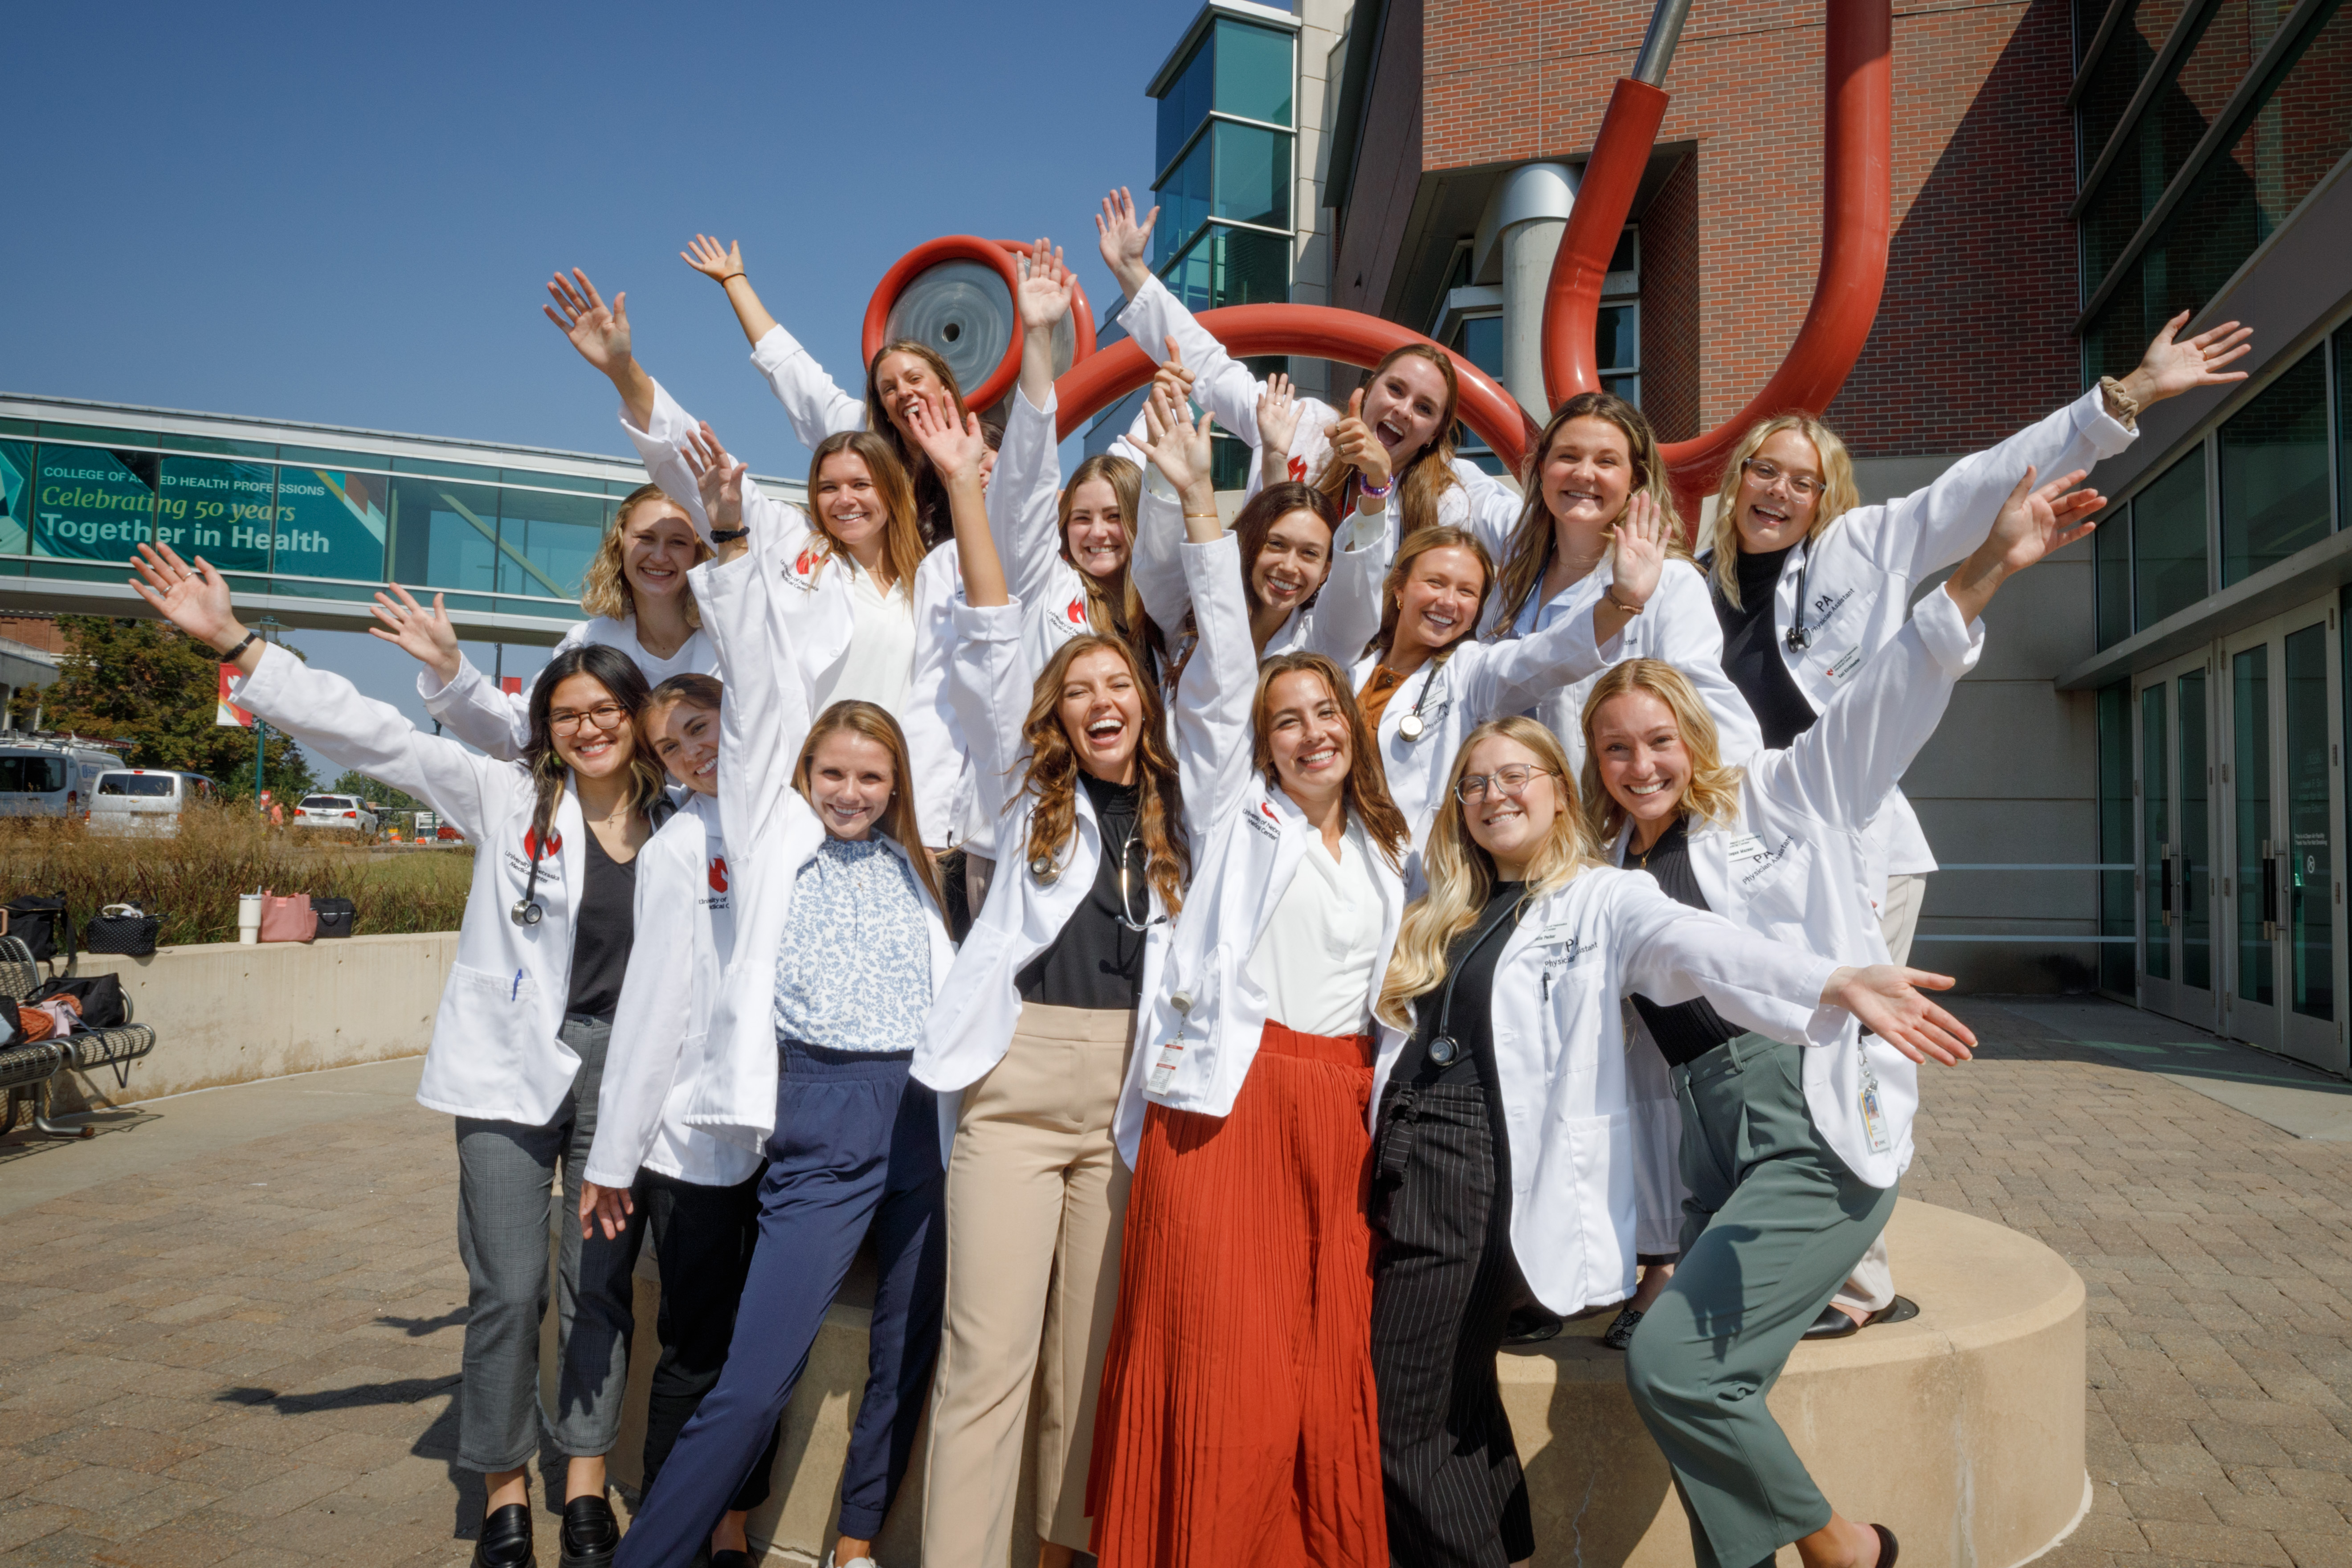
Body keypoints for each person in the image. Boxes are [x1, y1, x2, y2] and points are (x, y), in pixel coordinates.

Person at [1582, 466, 2100, 1568]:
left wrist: (1987, 567)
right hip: (1709, 1138)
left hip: (1809, 1124)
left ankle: (1846, 1547)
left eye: (1657, 738)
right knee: (1719, 1380)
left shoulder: (1784, 792)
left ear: (1693, 731)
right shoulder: (1604, 872)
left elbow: (1892, 689)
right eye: (1615, 747)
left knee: (1673, 1364)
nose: (1641, 764)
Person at [1695, 310, 2249, 1336]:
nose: (1778, 491)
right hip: (1747, 859)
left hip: (1856, 853)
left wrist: (2119, 398)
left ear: (1825, 497)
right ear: (1734, 486)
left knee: (1854, 1053)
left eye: (1800, 479)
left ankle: (1855, 1280)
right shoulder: (1693, 593)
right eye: (1762, 473)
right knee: (1760, 1056)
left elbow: (1980, 483)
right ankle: (1765, 1245)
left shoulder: (1858, 551)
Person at [128, 542, 669, 1568]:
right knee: (508, 1285)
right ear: (544, 728)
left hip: (626, 1070)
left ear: (637, 718)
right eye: (568, 714)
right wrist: (242, 644)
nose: (590, 727)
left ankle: (586, 1474)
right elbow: (374, 734)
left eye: (607, 709)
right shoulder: (509, 797)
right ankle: (506, 1484)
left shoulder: (685, 819)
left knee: (595, 1285)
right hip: (512, 1061)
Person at [1364, 715, 1976, 1568]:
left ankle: (1842, 1549)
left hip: (1484, 1174)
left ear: (1556, 789)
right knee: (1448, 1397)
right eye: (1474, 783)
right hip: (1411, 1170)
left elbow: (1705, 947)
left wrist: (1831, 979)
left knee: (1416, 1401)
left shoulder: (1607, 897)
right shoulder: (1442, 912)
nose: (1493, 794)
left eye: (1515, 775)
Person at [599, 426, 958, 1568]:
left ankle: (858, 1534)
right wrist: (739, 530)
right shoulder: (771, 829)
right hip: (821, 1123)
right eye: (834, 773)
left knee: (909, 1347)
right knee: (754, 1381)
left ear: (896, 785)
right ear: (799, 776)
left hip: (920, 1124)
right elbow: (756, 670)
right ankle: (651, 1550)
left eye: (872, 777)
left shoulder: (912, 865)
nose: (851, 791)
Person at [911, 392, 1253, 1568]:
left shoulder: (1189, 805)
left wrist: (1200, 502)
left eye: (1121, 690)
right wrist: (967, 487)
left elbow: (1231, 680)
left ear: (1146, 705)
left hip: (1124, 1098)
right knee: (985, 1358)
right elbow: (997, 629)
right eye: (1081, 692)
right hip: (1014, 1085)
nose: (1103, 704)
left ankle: (1060, 1550)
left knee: (1085, 1359)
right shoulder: (1025, 789)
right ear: (1055, 713)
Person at [1082, 386, 1409, 1567]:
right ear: (1257, 740)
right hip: (1231, 1108)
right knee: (1223, 1358)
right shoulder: (1233, 812)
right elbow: (1228, 638)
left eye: (1330, 712)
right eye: (1289, 720)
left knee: (1317, 1361)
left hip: (1338, 1117)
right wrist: (1194, 497)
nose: (1314, 730)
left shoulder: (1388, 850)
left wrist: (1374, 499)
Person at [541, 265, 970, 853]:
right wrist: (625, 372)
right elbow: (694, 467)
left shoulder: (938, 577)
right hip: (803, 812)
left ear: (892, 492)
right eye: (829, 487)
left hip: (906, 817)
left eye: (862, 484)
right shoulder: (800, 552)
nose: (845, 500)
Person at [545, 670, 772, 1568]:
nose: (691, 752)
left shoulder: (789, 820)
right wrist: (614, 1151)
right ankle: (676, 1525)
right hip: (696, 1147)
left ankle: (731, 1524)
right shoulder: (679, 846)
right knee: (696, 1342)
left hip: (786, 1140)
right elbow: (650, 1009)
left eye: (702, 727)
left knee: (763, 1344)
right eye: (672, 744)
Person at [1096, 187, 1476, 535]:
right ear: (1369, 386)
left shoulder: (1447, 500)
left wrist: (1379, 483)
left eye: (1425, 408)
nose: (1404, 410)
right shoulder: (1302, 426)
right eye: (1395, 389)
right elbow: (1210, 371)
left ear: (1435, 435)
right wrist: (1133, 272)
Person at [1344, 501, 1667, 861]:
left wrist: (1622, 602)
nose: (1449, 601)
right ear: (1400, 590)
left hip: (1419, 875)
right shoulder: (1348, 673)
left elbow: (1548, 655)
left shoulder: (1471, 674)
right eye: (1435, 582)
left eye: (1467, 592)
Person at [1474, 392, 1757, 780]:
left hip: (1608, 825)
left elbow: (1706, 709)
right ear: (1542, 469)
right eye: (1568, 456)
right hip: (1510, 817)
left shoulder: (1671, 583)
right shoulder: (1516, 578)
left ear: (1634, 480)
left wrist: (1739, 812)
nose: (1584, 474)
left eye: (1606, 461)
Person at [680, 232, 990, 547]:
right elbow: (792, 372)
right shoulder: (864, 439)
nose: (905, 392)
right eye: (889, 389)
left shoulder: (986, 448)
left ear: (944, 383)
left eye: (915, 379)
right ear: (881, 405)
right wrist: (734, 281)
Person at [390, 483, 714, 760]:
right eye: (645, 538)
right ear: (619, 545)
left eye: (678, 542)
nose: (659, 556)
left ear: (699, 553)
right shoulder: (589, 642)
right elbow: (524, 732)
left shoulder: (729, 638)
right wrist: (449, 665)